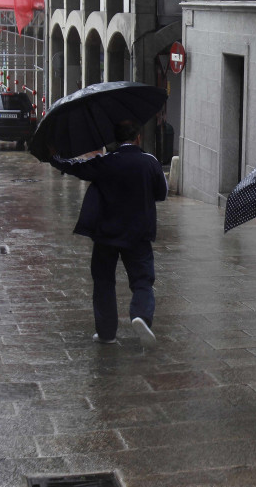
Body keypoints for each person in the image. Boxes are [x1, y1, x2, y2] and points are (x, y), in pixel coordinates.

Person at [50, 119, 168, 347]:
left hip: (106, 233)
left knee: (103, 280)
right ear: (138, 138)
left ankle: (106, 333)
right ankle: (141, 315)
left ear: (116, 139)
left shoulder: (106, 162)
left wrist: (56, 157)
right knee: (143, 280)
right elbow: (161, 193)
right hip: (138, 234)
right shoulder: (150, 162)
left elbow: (77, 168)